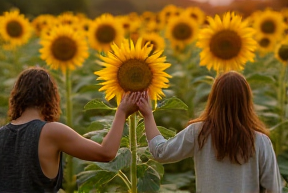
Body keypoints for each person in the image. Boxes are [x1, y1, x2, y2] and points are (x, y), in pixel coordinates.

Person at [137, 71, 283, 193]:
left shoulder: (199, 132)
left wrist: (148, 115)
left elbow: (160, 152)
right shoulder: (261, 141)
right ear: (247, 101)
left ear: (214, 98)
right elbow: (274, 189)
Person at [0, 66, 140, 193]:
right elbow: (106, 153)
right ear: (50, 97)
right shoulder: (51, 132)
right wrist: (122, 112)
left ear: (17, 96)